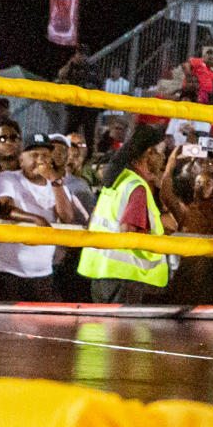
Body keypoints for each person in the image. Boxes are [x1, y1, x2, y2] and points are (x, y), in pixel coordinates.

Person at [76, 127, 173, 302]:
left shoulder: (119, 180)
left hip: (102, 273)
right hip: (124, 278)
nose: (163, 158)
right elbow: (128, 232)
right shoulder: (137, 187)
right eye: (161, 153)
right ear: (149, 153)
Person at [0, 133, 86, 302]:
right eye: (34, 155)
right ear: (21, 159)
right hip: (7, 269)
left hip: (43, 271)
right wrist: (37, 220)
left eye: (45, 156)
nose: (40, 161)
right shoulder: (8, 178)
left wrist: (55, 181)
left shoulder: (57, 185)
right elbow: (7, 209)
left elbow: (66, 217)